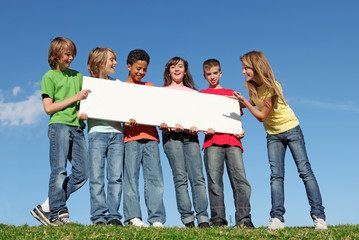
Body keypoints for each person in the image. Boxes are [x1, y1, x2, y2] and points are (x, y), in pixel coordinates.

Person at [232, 50, 327, 230]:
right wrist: (234, 102)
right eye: (243, 68)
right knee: (276, 176)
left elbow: (261, 116)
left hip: (291, 130)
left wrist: (244, 101)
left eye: (246, 68)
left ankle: (319, 217)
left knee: (305, 172)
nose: (243, 72)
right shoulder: (251, 86)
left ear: (256, 67)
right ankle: (277, 218)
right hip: (273, 135)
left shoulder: (272, 86)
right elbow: (253, 103)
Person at [31, 37, 90, 226]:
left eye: (73, 54)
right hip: (59, 126)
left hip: (78, 128)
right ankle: (56, 213)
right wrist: (75, 98)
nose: (71, 58)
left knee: (83, 172)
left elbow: (86, 100)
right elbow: (48, 108)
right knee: (59, 171)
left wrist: (83, 110)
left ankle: (47, 206)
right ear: (55, 55)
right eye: (67, 54)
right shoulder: (49, 77)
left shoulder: (78, 76)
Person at [199, 59, 254, 228]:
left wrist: (241, 130)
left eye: (215, 73)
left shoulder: (231, 94)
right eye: (209, 74)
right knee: (215, 182)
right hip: (212, 142)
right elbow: (199, 118)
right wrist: (203, 128)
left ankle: (244, 219)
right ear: (205, 76)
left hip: (233, 141)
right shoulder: (201, 95)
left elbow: (236, 119)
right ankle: (218, 219)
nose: (212, 77)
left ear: (220, 73)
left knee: (241, 181)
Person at [160, 57, 210, 228]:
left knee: (198, 177)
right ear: (168, 71)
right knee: (180, 177)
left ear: (185, 70)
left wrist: (199, 125)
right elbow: (158, 115)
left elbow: (200, 116)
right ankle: (187, 218)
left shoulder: (194, 94)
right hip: (171, 137)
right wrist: (164, 123)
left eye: (180, 66)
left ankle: (203, 217)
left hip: (191, 137)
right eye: (173, 67)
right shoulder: (161, 92)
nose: (176, 69)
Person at [122, 49, 166, 227]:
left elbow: (158, 110)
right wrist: (125, 121)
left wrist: (163, 121)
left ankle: (156, 218)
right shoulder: (121, 88)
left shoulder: (150, 87)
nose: (141, 73)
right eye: (138, 68)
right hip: (131, 137)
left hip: (151, 136)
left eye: (144, 70)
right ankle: (133, 217)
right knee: (131, 177)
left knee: (155, 178)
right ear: (129, 66)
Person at [84, 47, 124, 226]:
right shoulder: (87, 85)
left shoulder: (118, 85)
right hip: (97, 133)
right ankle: (98, 216)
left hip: (116, 134)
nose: (115, 63)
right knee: (97, 177)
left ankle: (114, 215)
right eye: (112, 60)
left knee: (115, 177)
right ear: (100, 62)